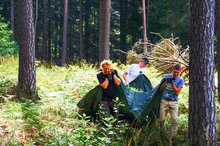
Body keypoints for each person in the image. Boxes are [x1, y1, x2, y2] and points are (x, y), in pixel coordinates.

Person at [159, 64, 184, 136]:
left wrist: (172, 83)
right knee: (161, 120)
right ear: (172, 70)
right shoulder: (166, 76)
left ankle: (173, 136)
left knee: (174, 120)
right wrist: (166, 82)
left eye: (177, 72)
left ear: (180, 72)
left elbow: (177, 91)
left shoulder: (181, 80)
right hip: (164, 100)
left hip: (174, 101)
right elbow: (161, 88)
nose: (176, 74)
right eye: (174, 72)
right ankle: (162, 134)